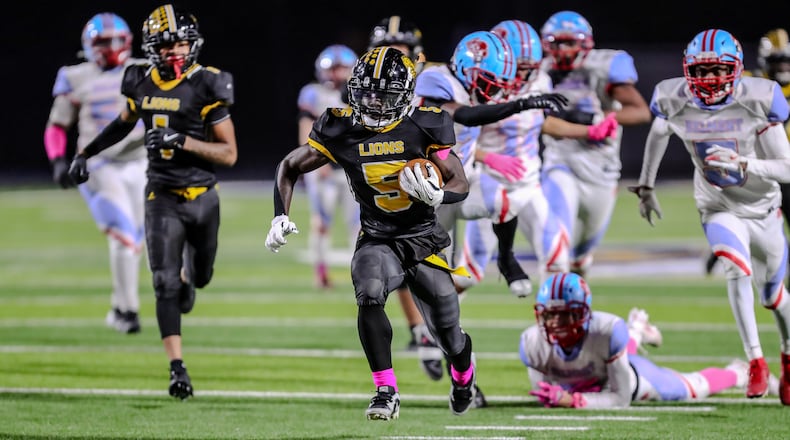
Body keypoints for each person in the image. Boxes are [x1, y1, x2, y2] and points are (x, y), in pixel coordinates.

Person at [265, 46, 479, 420]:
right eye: (368, 94)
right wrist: (279, 215)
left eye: (386, 96)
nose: (376, 104)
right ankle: (385, 389)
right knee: (369, 291)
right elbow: (289, 165)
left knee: (450, 335)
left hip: (423, 239)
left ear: (407, 95)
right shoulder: (339, 126)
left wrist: (440, 194)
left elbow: (460, 180)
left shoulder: (427, 123)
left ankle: (463, 378)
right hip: (377, 236)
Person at [68, 4, 238, 400]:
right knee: (162, 283)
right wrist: (86, 153)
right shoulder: (139, 81)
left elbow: (228, 154)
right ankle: (177, 369)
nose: (175, 51)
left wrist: (182, 141)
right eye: (166, 45)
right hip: (159, 193)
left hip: (202, 196)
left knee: (200, 277)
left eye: (180, 43)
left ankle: (189, 277)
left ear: (192, 45)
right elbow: (123, 123)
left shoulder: (208, 84)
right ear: (151, 48)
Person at [629, 28, 790, 404]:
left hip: (763, 209)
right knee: (735, 268)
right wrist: (647, 185)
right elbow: (657, 133)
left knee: (774, 297)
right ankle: (755, 361)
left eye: (718, 69)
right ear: (688, 71)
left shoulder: (759, 100)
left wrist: (745, 162)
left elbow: (787, 168)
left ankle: (786, 354)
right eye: (701, 71)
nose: (709, 79)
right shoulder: (674, 98)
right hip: (717, 204)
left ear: (737, 70)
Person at [447, 19, 619, 298]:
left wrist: (590, 131)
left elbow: (541, 122)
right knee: (469, 272)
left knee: (557, 258)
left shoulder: (540, 80)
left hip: (528, 186)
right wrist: (489, 158)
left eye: (531, 68)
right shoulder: (479, 87)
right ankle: (435, 327)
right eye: (520, 68)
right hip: (490, 183)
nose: (525, 76)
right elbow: (456, 141)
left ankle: (555, 332)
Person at [521, 272, 777, 408]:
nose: (555, 322)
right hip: (601, 369)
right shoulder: (532, 343)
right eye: (550, 314)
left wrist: (576, 400)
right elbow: (544, 397)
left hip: (628, 379)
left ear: (582, 314)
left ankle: (739, 371)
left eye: (565, 315)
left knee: (691, 388)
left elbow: (620, 399)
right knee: (617, 353)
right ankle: (637, 329)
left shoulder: (607, 331)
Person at [44, 12, 147, 334]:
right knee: (124, 235)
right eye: (104, 42)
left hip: (142, 160)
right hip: (98, 163)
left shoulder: (144, 69)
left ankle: (119, 306)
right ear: (89, 46)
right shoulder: (76, 76)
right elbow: (57, 125)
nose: (112, 47)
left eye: (117, 40)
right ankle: (128, 312)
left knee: (140, 240)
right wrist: (59, 159)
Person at [538, 10, 652, 277]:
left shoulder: (603, 67)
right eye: (557, 43)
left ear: (585, 43)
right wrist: (590, 128)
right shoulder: (540, 73)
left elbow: (640, 111)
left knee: (580, 257)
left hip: (601, 172)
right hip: (561, 164)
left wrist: (608, 119)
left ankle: (574, 307)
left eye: (570, 42)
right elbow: (539, 122)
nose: (563, 50)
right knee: (556, 249)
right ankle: (549, 311)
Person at [366, 15, 446, 383]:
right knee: (389, 262)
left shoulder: (437, 78)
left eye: (400, 51)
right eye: (386, 50)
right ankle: (421, 330)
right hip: (386, 190)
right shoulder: (367, 83)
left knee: (455, 276)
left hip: (442, 177)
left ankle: (440, 333)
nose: (393, 58)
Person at [705, 28, 790, 276]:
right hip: (752, 167)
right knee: (738, 218)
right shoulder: (749, 84)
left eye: (787, 60)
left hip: (783, 168)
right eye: (778, 61)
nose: (784, 66)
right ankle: (721, 252)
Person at [297, 44, 360, 289]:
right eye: (334, 69)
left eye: (342, 69)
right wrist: (312, 160)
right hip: (323, 166)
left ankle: (360, 270)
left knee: (357, 223)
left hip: (350, 168)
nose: (338, 74)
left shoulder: (358, 93)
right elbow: (305, 128)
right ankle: (321, 271)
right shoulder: (313, 93)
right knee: (321, 222)